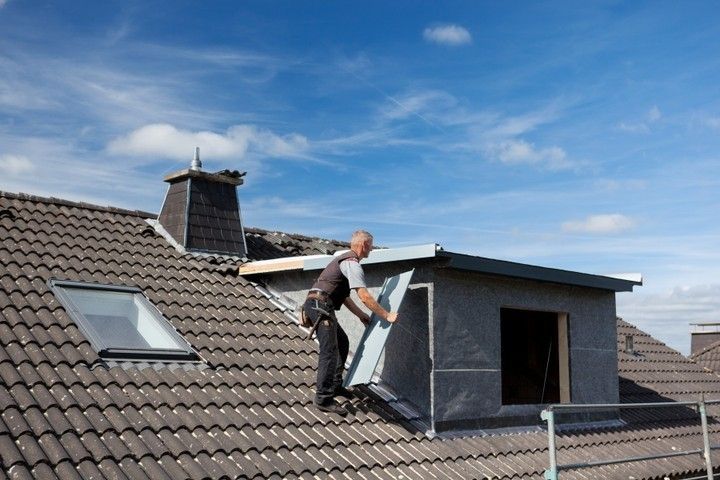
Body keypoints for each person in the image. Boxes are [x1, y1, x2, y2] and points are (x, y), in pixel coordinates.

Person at [303, 230, 399, 415]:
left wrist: (361, 315)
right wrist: (386, 315)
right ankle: (323, 398)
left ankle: (336, 385)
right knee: (329, 351)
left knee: (343, 342)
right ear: (364, 245)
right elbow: (363, 295)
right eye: (371, 245)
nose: (372, 248)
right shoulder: (352, 263)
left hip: (318, 304)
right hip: (320, 305)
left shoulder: (344, 261)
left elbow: (345, 297)